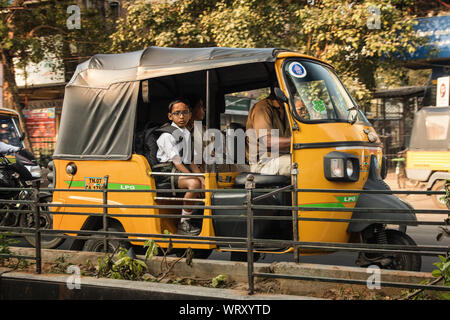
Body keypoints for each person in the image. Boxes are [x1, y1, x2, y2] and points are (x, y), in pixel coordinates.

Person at [156, 98, 205, 235]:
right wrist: (195, 178)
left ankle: (196, 218)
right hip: (165, 171)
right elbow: (177, 162)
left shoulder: (186, 133)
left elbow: (191, 162)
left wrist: (202, 177)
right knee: (194, 183)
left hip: (179, 170)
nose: (181, 116)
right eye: (177, 113)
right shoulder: (167, 135)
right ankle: (183, 223)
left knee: (205, 182)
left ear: (190, 114)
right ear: (170, 116)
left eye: (185, 112)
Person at [246, 90, 291, 176]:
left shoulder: (287, 109)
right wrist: (296, 140)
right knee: (303, 164)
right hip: (263, 163)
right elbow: (268, 142)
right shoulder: (262, 108)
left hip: (281, 158)